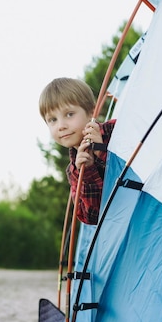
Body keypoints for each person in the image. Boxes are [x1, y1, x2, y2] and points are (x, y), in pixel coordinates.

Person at [39, 77, 116, 225]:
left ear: (91, 112)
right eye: (52, 120)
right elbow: (92, 217)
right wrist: (87, 173)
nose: (61, 126)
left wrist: (101, 152)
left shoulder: (114, 130)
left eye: (69, 114)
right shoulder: (74, 171)